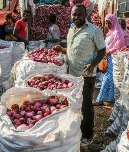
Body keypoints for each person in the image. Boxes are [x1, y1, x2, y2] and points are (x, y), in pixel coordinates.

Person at [52, 4, 106, 145]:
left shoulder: (94, 30)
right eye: (74, 14)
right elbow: (71, 49)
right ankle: (77, 130)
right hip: (72, 75)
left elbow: (102, 50)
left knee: (85, 105)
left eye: (79, 14)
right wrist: (63, 50)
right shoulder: (71, 29)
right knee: (74, 104)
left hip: (86, 76)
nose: (76, 17)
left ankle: (88, 135)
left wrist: (93, 64)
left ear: (85, 15)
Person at [93, 14, 125, 107]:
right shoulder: (110, 32)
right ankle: (109, 98)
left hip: (114, 58)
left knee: (108, 78)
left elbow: (119, 46)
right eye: (106, 23)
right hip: (108, 57)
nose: (107, 25)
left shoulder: (117, 32)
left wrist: (108, 52)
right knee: (109, 78)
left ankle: (101, 99)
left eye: (109, 23)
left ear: (113, 22)